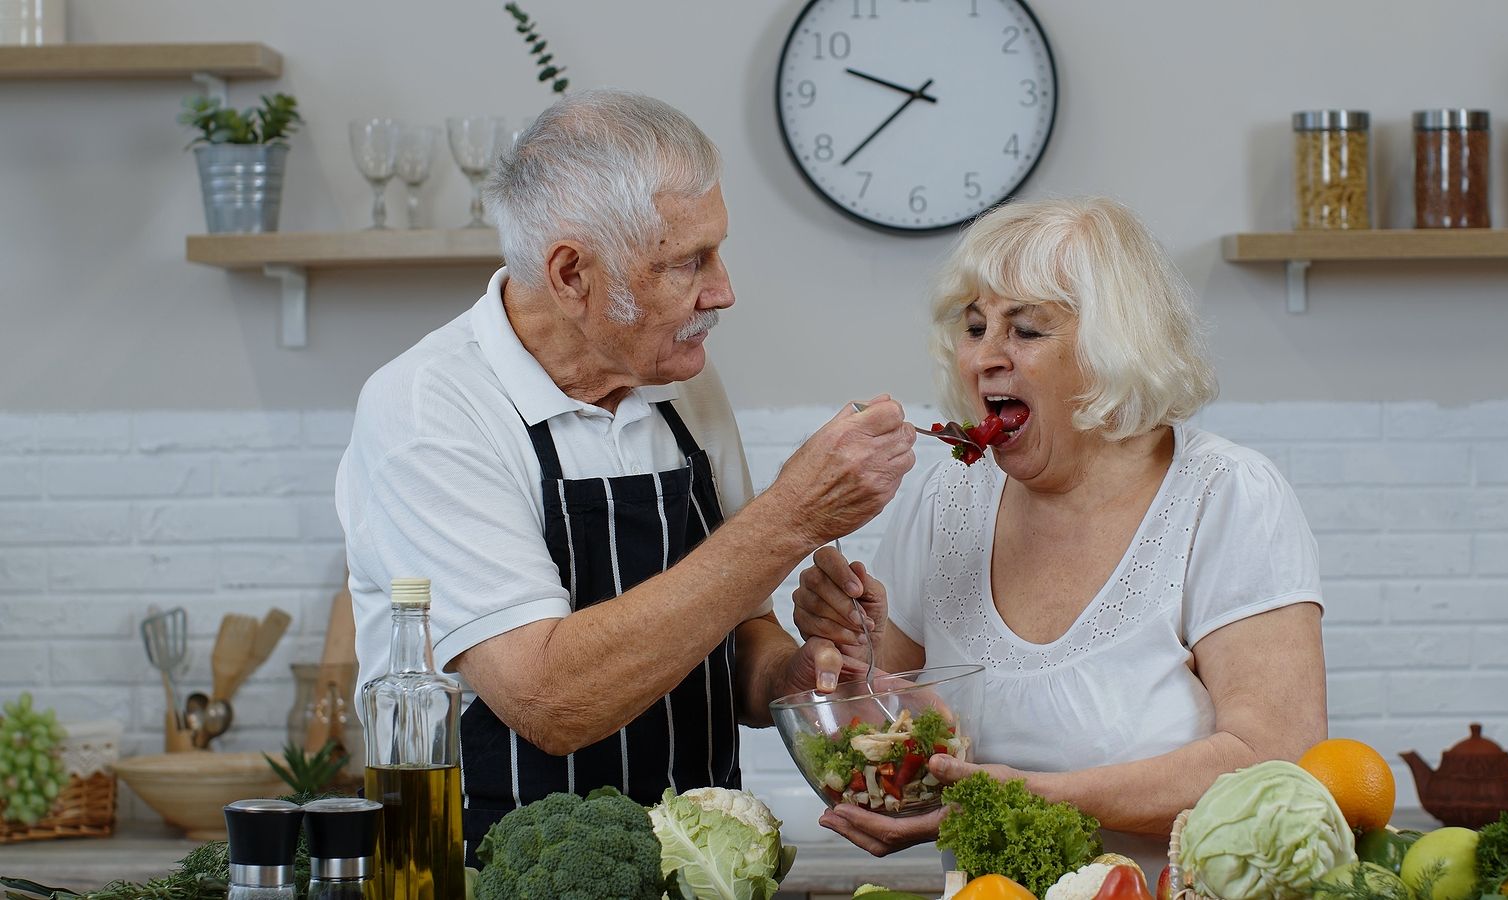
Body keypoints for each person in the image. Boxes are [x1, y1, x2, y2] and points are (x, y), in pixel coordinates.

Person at [335, 89, 915, 863]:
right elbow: (548, 699)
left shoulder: (683, 388)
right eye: (688, 262)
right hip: (489, 871)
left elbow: (738, 626)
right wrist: (792, 517)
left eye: (718, 249)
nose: (724, 290)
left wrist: (792, 674)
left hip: (703, 870)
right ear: (572, 273)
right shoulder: (430, 408)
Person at [792, 197, 1328, 869]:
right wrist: (850, 650)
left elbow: (1274, 760)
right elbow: (887, 739)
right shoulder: (946, 494)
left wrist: (1033, 796)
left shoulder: (1227, 496)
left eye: (1025, 331)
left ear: (1115, 348)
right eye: (975, 326)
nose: (984, 357)